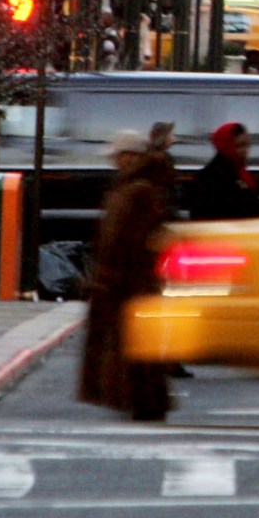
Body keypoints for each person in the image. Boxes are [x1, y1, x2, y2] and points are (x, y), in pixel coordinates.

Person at [80, 130, 177, 420]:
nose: (116, 162)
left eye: (120, 156)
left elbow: (126, 237)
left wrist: (108, 274)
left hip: (130, 279)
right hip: (129, 278)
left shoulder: (137, 190)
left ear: (130, 156)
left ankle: (144, 402)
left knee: (132, 344)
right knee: (132, 345)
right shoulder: (136, 187)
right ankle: (143, 401)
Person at [188, 121, 259, 220]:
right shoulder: (211, 178)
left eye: (247, 145)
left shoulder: (239, 172)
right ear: (226, 146)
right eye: (239, 146)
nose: (246, 151)